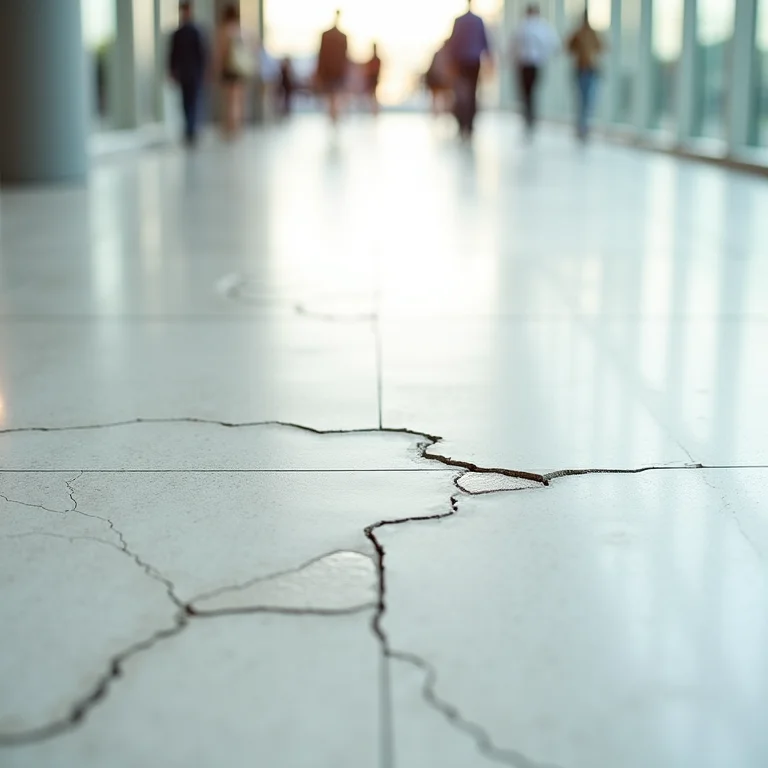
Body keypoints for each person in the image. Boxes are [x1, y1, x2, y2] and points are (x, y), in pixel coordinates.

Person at [510, 4, 558, 136]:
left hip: (525, 64)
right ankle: (530, 117)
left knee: (526, 92)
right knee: (531, 92)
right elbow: (553, 45)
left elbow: (513, 46)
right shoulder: (542, 27)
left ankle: (529, 116)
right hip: (534, 64)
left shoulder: (522, 26)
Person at [447, 0, 491, 139]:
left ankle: (462, 122)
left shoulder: (459, 21)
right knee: (472, 92)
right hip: (474, 61)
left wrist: (450, 61)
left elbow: (453, 42)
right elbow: (485, 41)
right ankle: (470, 123)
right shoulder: (478, 21)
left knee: (461, 92)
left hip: (461, 61)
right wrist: (489, 59)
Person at [168, 2, 207, 146]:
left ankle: (191, 130)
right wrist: (171, 71)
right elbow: (172, 55)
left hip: (194, 73)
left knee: (193, 102)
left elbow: (202, 54)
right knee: (186, 103)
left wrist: (204, 71)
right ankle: (189, 129)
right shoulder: (178, 33)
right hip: (184, 73)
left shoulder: (196, 32)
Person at [215, 4, 254, 138]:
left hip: (229, 69)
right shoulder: (242, 31)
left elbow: (221, 53)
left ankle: (230, 126)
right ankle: (238, 126)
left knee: (230, 101)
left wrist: (217, 69)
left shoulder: (225, 31)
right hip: (240, 69)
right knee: (239, 100)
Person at [567, 10, 604, 141]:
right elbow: (568, 46)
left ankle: (584, 126)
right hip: (581, 69)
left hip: (590, 69)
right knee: (582, 99)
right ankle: (582, 126)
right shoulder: (578, 34)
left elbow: (602, 47)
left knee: (587, 99)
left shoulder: (591, 33)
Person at [316, 10, 349, 124]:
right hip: (333, 71)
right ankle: (333, 116)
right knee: (333, 95)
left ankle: (333, 116)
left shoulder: (329, 35)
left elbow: (322, 55)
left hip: (332, 71)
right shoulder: (339, 36)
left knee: (333, 95)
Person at [425, 40, 453, 116]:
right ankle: (436, 113)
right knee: (439, 97)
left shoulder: (449, 55)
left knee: (446, 97)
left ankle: (443, 113)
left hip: (443, 80)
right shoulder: (444, 55)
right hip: (437, 79)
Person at [363, 43, 382, 115]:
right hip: (372, 79)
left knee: (373, 95)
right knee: (371, 95)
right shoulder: (372, 60)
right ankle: (373, 110)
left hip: (374, 79)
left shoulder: (376, 60)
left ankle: (374, 111)